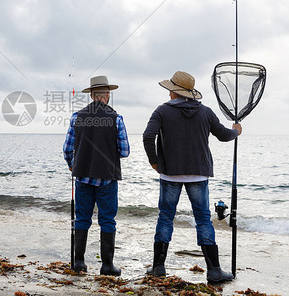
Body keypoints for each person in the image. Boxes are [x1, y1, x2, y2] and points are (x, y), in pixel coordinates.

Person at [142, 71, 241, 283]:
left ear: (174, 92)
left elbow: (148, 136)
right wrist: (236, 132)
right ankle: (214, 270)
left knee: (165, 216)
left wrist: (154, 161)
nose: (168, 92)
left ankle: (158, 267)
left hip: (170, 174)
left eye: (170, 88)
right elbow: (224, 135)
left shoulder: (162, 111)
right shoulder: (205, 112)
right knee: (203, 218)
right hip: (199, 173)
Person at [63, 75, 130, 276]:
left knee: (82, 219)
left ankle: (79, 262)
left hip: (82, 176)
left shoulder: (77, 117)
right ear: (107, 95)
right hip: (107, 177)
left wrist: (72, 165)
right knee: (107, 220)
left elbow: (67, 149)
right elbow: (125, 151)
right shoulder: (116, 119)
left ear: (92, 95)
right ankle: (107, 266)